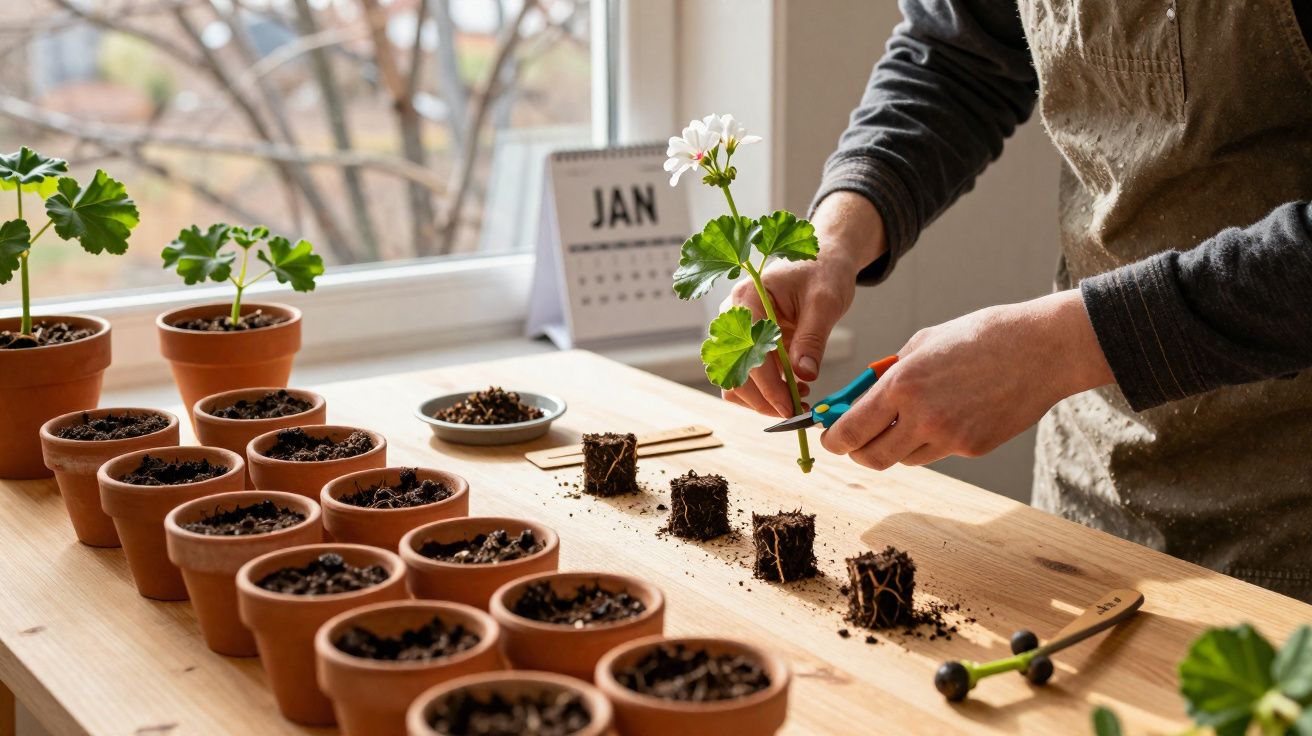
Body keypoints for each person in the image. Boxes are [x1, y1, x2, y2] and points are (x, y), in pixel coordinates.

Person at [725, 0, 1312, 600]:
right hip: (1085, 479)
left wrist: (1065, 347)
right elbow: (958, 57)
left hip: (1291, 518)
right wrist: (832, 239)